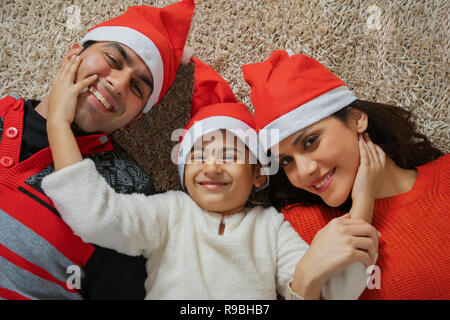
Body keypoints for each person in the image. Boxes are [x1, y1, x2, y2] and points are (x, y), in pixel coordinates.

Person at [41, 57, 380, 300]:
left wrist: (363, 205)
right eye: (198, 156)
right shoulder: (168, 213)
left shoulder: (272, 230)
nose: (212, 167)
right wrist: (57, 125)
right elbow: (95, 217)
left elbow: (330, 292)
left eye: (230, 156)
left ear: (259, 174)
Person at [0, 0, 197, 300]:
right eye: (113, 59)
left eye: (137, 88)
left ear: (135, 118)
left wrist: (60, 125)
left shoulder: (127, 194)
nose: (118, 84)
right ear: (73, 54)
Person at [243, 50, 450, 299]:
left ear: (356, 119)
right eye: (286, 161)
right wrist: (305, 278)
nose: (305, 171)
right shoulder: (298, 228)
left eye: (311, 141)